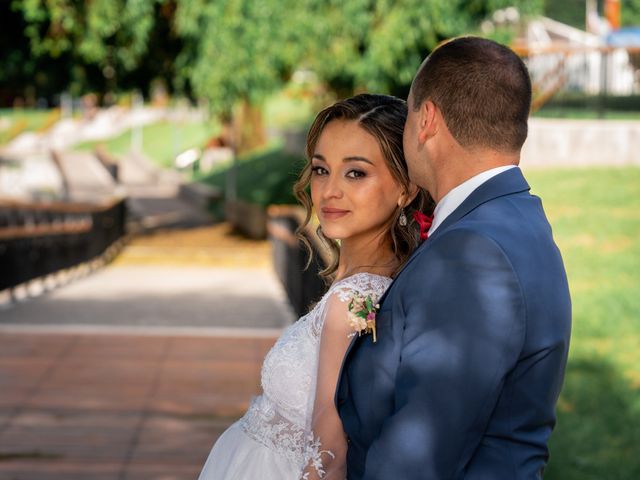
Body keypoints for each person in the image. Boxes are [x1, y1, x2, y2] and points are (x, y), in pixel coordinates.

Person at [336, 36, 572, 479]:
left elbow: (417, 455)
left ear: (426, 120)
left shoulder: (471, 254)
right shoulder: (516, 219)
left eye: (408, 114)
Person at [197, 93, 432, 480]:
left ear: (405, 188)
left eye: (356, 173)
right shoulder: (372, 283)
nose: (330, 190)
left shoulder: (353, 300)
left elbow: (332, 449)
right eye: (322, 170)